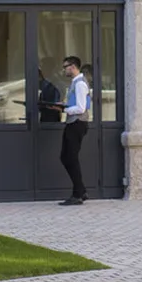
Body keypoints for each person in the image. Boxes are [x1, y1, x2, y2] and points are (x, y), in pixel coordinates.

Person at [51, 55, 91, 205]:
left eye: (65, 66)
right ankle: (81, 190)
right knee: (67, 157)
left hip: (77, 123)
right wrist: (62, 105)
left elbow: (80, 108)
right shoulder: (75, 83)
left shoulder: (80, 84)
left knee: (70, 158)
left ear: (73, 67)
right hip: (73, 123)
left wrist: (63, 109)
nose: (64, 70)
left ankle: (78, 194)